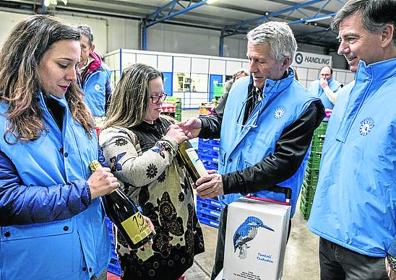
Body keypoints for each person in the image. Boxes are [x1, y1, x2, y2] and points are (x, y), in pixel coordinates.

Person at [180, 21, 325, 279]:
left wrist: (227, 182)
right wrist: (201, 125)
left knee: (251, 274)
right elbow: (222, 121)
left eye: (260, 61)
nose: (252, 68)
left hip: (267, 209)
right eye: (249, 58)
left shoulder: (304, 106)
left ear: (285, 61)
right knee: (224, 270)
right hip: (231, 199)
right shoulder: (239, 88)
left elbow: (282, 163)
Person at [0, 15, 120, 280]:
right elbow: (5, 200)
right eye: (63, 64)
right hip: (39, 268)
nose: (73, 76)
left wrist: (127, 214)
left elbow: (97, 170)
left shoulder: (77, 111)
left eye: (77, 65)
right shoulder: (3, 121)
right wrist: (85, 191)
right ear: (29, 61)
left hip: (93, 259)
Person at [307, 0, 396, 279]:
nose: (341, 49)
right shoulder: (345, 96)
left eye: (351, 38)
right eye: (340, 39)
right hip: (329, 237)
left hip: (373, 251)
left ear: (385, 35)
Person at [99, 63, 205, 280]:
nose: (160, 104)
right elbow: (135, 172)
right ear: (134, 98)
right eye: (153, 97)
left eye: (161, 96)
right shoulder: (116, 134)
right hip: (146, 244)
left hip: (180, 234)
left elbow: (188, 160)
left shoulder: (165, 123)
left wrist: (202, 177)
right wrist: (169, 141)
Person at [77, 24, 112, 119]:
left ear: (91, 48)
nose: (78, 51)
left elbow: (110, 102)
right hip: (71, 126)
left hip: (96, 127)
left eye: (83, 47)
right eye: (76, 45)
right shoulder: (65, 69)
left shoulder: (103, 71)